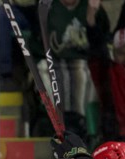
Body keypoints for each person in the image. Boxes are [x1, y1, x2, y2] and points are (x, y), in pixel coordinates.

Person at [31, 0, 110, 137]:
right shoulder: (48, 7)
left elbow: (101, 45)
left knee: (84, 75)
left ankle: (80, 123)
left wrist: (91, 18)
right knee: (43, 72)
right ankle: (57, 124)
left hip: (83, 61)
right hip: (53, 60)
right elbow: (36, 41)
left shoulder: (92, 6)